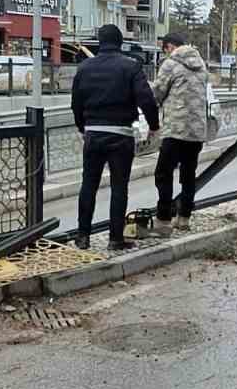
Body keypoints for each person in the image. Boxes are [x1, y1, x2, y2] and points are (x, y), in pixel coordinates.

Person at [71, 24, 158, 250]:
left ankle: (83, 236)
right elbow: (146, 99)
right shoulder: (130, 67)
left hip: (93, 134)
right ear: (120, 43)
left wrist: (83, 127)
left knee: (88, 184)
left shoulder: (84, 68)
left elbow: (76, 103)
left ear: (100, 42)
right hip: (120, 134)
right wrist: (154, 126)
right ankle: (115, 239)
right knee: (119, 187)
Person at [148, 32, 210, 236]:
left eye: (164, 49)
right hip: (197, 131)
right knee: (188, 175)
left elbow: (157, 93)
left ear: (169, 47)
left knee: (163, 173)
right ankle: (184, 217)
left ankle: (164, 219)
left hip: (176, 129)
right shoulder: (201, 65)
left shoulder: (170, 64)